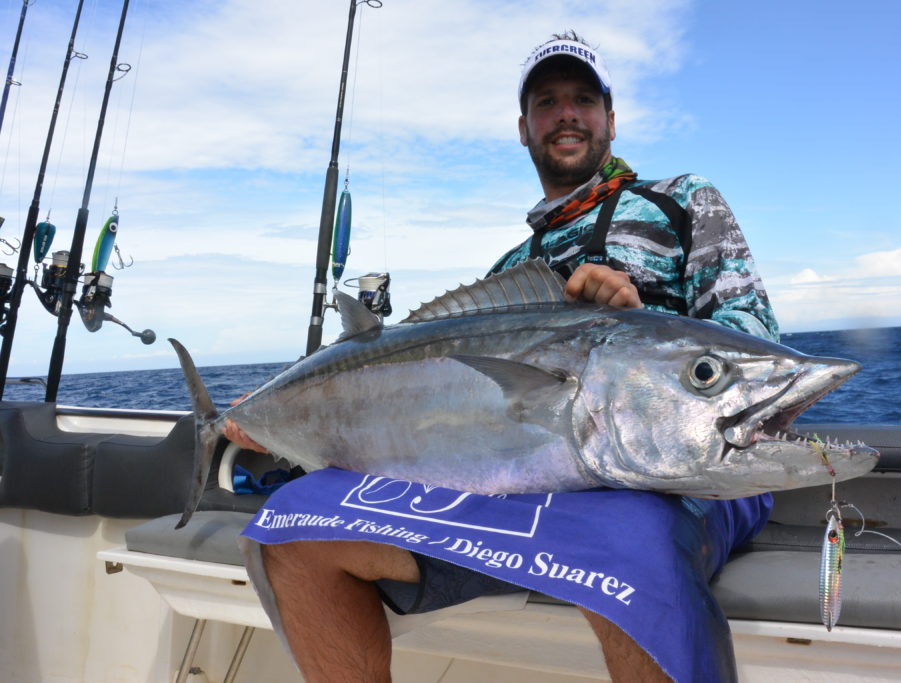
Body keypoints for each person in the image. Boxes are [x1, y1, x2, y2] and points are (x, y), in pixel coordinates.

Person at [228, 32, 779, 683]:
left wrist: (637, 321)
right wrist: (286, 414)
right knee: (295, 529)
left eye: (583, 99)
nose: (567, 114)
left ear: (610, 116)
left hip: (676, 469)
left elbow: (752, 345)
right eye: (547, 102)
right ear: (524, 128)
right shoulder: (511, 271)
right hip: (530, 485)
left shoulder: (682, 201)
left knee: (622, 536)